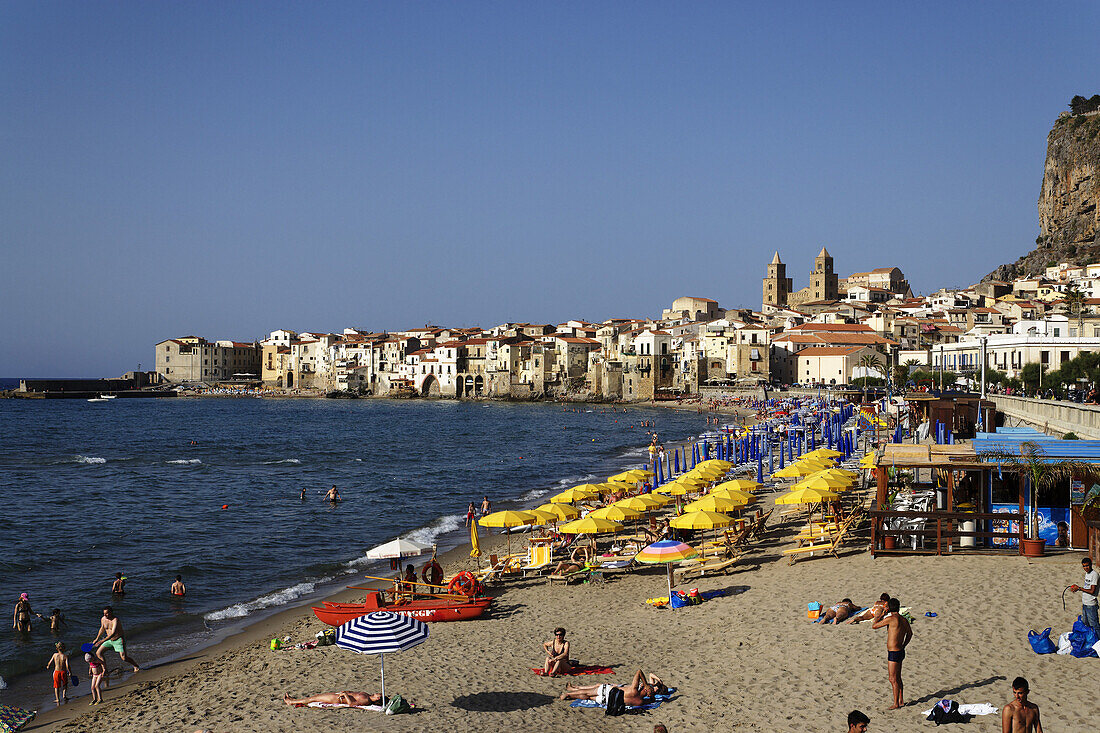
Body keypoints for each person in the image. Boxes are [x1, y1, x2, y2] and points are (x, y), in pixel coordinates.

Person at [871, 597, 912, 709]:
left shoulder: (891, 619)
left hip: (893, 652)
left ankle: (896, 703)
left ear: (889, 608)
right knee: (898, 677)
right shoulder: (904, 620)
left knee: (892, 678)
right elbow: (910, 634)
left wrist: (881, 614)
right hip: (900, 650)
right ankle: (901, 700)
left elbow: (874, 625)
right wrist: (904, 645)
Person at [559, 669, 658, 707]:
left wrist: (645, 684)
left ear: (645, 689)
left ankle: (569, 694)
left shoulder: (634, 689)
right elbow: (651, 700)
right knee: (589, 697)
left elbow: (639, 671)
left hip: (608, 691)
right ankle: (571, 696)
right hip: (608, 700)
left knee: (588, 692)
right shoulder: (640, 702)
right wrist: (651, 695)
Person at [92, 606, 141, 673]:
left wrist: (102, 641)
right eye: (104, 613)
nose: (104, 615)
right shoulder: (103, 619)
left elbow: (113, 633)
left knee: (124, 658)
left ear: (111, 612)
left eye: (106, 613)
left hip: (118, 640)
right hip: (109, 640)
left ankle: (135, 665)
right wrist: (97, 638)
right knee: (98, 653)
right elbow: (102, 628)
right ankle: (105, 670)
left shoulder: (115, 620)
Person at [1069, 556, 1099, 633]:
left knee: (1094, 625)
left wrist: (1079, 588)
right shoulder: (1087, 574)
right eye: (1084, 566)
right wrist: (1076, 588)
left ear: (1091, 565)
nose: (1086, 568)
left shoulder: (1094, 574)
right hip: (1085, 603)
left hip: (1091, 604)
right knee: (1086, 624)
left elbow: (1092, 591)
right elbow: (1086, 587)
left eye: (1087, 565)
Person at [283, 691, 387, 707]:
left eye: (380, 693)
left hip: (338, 699)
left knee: (313, 699)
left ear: (378, 698)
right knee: (314, 697)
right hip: (338, 695)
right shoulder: (367, 695)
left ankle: (291, 702)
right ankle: (293, 700)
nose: (379, 692)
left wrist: (345, 695)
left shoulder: (366, 700)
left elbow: (352, 704)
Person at [47, 641, 71, 706]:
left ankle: (57, 699)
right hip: (63, 672)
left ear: (57, 648)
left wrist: (48, 666)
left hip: (57, 672)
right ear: (64, 648)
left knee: (56, 686)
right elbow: (67, 665)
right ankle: (64, 695)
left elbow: (50, 662)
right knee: (65, 684)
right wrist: (70, 672)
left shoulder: (55, 655)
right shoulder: (65, 656)